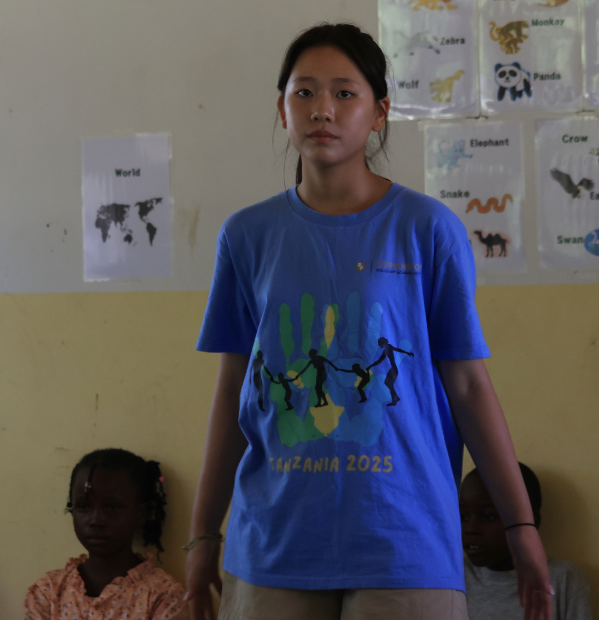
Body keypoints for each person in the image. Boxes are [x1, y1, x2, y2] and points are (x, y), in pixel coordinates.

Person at [186, 22, 553, 620]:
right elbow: (234, 390)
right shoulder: (247, 235)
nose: (322, 110)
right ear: (282, 110)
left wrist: (521, 526)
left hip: (405, 538)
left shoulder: (428, 228)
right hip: (274, 542)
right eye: (304, 92)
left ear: (379, 112)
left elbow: (468, 386)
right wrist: (203, 533)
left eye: (344, 93)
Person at [24, 448, 189, 620]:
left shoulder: (162, 596)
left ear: (141, 514)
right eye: (83, 506)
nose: (95, 520)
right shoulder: (48, 592)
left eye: (112, 507)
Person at [460, 464, 592, 620]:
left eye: (488, 516)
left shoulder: (563, 579)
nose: (470, 529)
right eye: (462, 517)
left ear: (530, 522)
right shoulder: (456, 576)